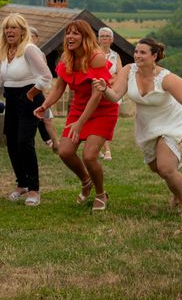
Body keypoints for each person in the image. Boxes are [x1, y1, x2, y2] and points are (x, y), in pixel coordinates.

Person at [93, 38, 182, 217]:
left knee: (165, 167)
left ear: (154, 56)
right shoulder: (128, 70)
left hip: (171, 123)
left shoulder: (167, 78)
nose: (137, 56)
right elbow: (115, 95)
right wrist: (104, 89)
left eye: (142, 52)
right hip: (147, 125)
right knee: (155, 167)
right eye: (136, 52)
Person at [34, 20, 119, 212]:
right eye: (68, 33)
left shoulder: (96, 58)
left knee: (89, 156)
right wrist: (44, 105)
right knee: (65, 151)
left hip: (102, 110)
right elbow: (59, 87)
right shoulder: (66, 57)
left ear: (85, 37)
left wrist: (80, 124)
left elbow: (97, 95)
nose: (70, 37)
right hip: (79, 108)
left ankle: (100, 194)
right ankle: (86, 181)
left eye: (76, 33)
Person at [0, 14, 52, 207]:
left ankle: (34, 189)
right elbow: (0, 82)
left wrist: (31, 94)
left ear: (22, 31)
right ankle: (22, 184)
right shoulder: (3, 51)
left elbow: (46, 76)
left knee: (25, 142)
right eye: (7, 28)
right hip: (12, 99)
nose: (9, 31)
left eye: (14, 28)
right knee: (12, 143)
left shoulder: (29, 49)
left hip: (29, 98)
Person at [29, 26, 59, 153]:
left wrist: (45, 88)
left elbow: (45, 74)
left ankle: (55, 143)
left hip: (38, 91)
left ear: (36, 38)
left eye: (32, 36)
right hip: (27, 91)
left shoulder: (40, 54)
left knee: (47, 118)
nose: (29, 39)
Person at [97, 26, 123, 161]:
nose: (105, 39)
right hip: (97, 92)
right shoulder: (94, 54)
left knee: (108, 122)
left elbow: (120, 73)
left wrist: (113, 80)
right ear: (98, 39)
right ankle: (107, 150)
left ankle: (99, 149)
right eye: (102, 36)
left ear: (112, 40)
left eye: (107, 36)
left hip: (111, 91)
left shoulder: (115, 56)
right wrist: (108, 77)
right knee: (99, 121)